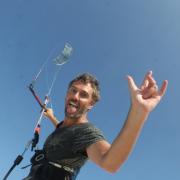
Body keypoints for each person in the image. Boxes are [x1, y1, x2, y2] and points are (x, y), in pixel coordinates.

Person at [23, 71, 168, 180]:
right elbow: (62, 129)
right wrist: (51, 116)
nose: (75, 96)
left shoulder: (86, 132)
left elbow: (109, 162)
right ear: (67, 94)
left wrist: (139, 112)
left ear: (91, 104)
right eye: (73, 90)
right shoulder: (64, 126)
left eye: (83, 94)